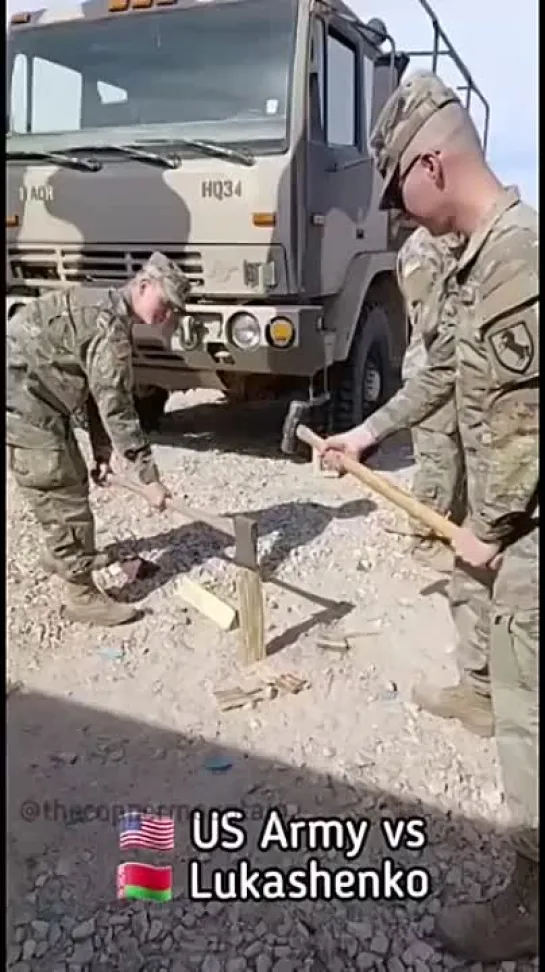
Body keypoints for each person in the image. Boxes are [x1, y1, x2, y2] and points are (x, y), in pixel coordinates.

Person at [320, 71, 539, 962]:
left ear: (432, 164)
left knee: (528, 720)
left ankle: (531, 900)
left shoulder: (515, 258)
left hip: (525, 533)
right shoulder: (480, 260)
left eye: (396, 189)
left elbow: (525, 427)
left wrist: (485, 530)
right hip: (510, 526)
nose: (397, 212)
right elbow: (443, 375)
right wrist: (365, 432)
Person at [7, 252, 190, 627]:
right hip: (23, 397)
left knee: (66, 476)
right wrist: (149, 479)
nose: (167, 315)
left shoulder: (104, 305)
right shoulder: (111, 328)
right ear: (142, 286)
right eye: (165, 303)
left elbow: (94, 390)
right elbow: (117, 407)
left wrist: (102, 451)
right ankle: (82, 595)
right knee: (62, 487)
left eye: (175, 309)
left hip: (33, 393)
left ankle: (63, 554)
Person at [396, 227, 466, 573]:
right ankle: (424, 539)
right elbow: (429, 321)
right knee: (440, 460)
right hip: (430, 371)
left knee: (459, 457)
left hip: (459, 371)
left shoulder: (461, 241)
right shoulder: (424, 248)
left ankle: (452, 527)